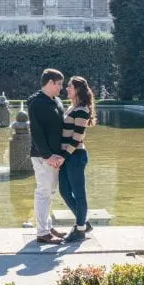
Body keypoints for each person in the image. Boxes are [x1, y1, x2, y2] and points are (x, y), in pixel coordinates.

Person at [27, 69, 67, 244]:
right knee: (43, 192)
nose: (61, 88)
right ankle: (42, 233)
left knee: (49, 192)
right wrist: (47, 155)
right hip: (43, 156)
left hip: (55, 156)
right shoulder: (36, 103)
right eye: (59, 84)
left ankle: (47, 226)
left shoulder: (56, 101)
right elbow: (36, 132)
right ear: (50, 83)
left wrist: (59, 155)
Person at [59, 75, 96, 243]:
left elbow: (77, 137)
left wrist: (64, 156)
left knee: (79, 194)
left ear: (78, 90)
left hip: (75, 156)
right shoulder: (72, 107)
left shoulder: (82, 109)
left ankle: (80, 229)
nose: (67, 89)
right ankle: (84, 221)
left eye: (70, 87)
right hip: (68, 156)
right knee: (65, 192)